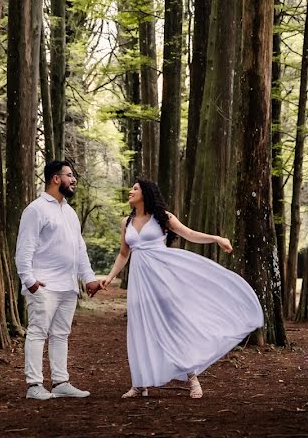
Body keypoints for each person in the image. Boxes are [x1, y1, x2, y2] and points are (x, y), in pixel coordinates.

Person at [100, 179, 264, 399]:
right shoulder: (126, 222)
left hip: (164, 277)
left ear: (146, 193)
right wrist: (110, 277)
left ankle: (193, 378)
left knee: (174, 325)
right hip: (140, 281)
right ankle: (139, 383)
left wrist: (216, 239)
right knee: (139, 327)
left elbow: (190, 234)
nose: (130, 191)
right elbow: (123, 254)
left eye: (135, 189)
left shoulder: (163, 218)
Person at [15, 160, 102, 400]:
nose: (73, 180)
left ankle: (60, 381)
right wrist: (29, 279)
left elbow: (79, 249)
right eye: (69, 175)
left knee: (61, 334)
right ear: (56, 179)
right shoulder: (36, 209)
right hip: (44, 285)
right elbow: (24, 248)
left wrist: (89, 278)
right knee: (37, 332)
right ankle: (34, 386)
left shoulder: (70, 212)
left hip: (67, 286)